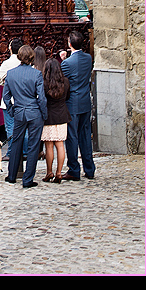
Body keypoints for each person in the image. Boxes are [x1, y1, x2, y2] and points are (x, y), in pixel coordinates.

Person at [3, 45, 47, 188]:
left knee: (16, 143)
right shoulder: (36, 74)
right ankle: (28, 179)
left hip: (20, 111)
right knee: (33, 146)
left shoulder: (11, 74)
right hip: (34, 112)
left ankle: (12, 175)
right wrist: (44, 114)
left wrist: (12, 110)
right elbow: (41, 98)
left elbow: (6, 96)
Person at [60, 31, 96, 181]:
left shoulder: (67, 63)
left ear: (69, 44)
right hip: (85, 101)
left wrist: (63, 59)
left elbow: (65, 79)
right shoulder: (88, 58)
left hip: (73, 103)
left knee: (72, 137)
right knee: (85, 135)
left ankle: (74, 168)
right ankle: (89, 168)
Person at [40, 58, 71, 183]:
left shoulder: (44, 83)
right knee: (60, 145)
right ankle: (59, 172)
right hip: (62, 115)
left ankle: (49, 172)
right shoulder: (65, 82)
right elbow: (67, 96)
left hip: (49, 116)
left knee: (49, 146)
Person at [0, 38, 23, 159]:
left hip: (9, 100)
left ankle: (12, 152)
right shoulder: (26, 62)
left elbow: (0, 80)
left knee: (11, 127)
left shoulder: (7, 63)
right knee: (24, 127)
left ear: (10, 49)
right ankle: (24, 151)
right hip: (23, 99)